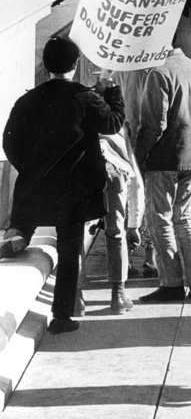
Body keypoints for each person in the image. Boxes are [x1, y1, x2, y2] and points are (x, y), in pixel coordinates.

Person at [1, 37, 125, 333]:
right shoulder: (85, 97)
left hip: (35, 188)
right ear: (75, 64)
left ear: (45, 65)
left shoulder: (27, 100)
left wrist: (28, 168)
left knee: (26, 219)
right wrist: (113, 92)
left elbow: (10, 142)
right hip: (75, 191)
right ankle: (62, 315)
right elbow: (113, 123)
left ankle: (18, 234)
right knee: (70, 251)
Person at [135, 47, 191, 303]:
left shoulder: (159, 73)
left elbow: (154, 124)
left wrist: (139, 155)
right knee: (184, 217)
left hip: (164, 156)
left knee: (160, 218)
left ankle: (171, 283)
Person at [100, 126, 144, 313]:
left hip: (82, 170)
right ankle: (117, 295)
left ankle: (77, 297)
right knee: (116, 232)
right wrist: (134, 224)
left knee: (79, 231)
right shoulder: (117, 127)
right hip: (114, 172)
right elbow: (136, 184)